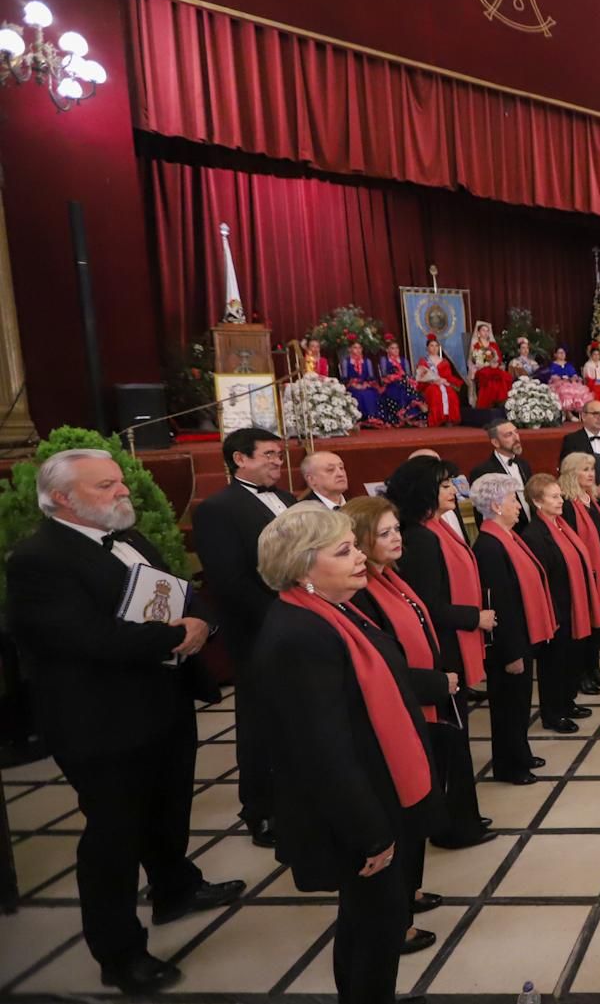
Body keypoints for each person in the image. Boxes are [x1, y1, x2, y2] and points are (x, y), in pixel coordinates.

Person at [7, 450, 240, 994]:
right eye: (106, 485)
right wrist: (178, 634)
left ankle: (175, 887)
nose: (123, 492)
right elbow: (83, 639)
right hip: (102, 721)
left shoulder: (128, 538)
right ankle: (119, 953)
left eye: (120, 483)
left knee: (169, 804)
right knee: (113, 835)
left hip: (162, 702)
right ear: (62, 498)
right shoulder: (38, 560)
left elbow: (177, 590)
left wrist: (202, 622)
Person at [254, 505, 441, 1004]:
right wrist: (371, 834)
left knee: (364, 922)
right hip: (356, 815)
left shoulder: (331, 610)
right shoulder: (300, 635)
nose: (360, 556)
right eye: (345, 550)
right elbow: (323, 751)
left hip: (374, 794)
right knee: (376, 932)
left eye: (356, 546)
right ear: (302, 566)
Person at [343, 495, 461, 956]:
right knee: (404, 816)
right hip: (405, 709)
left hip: (421, 704)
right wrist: (435, 682)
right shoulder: (363, 592)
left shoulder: (389, 578)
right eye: (386, 533)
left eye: (397, 530)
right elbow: (382, 665)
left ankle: (408, 893)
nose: (398, 539)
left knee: (417, 814)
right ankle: (399, 922)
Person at [192, 427, 295, 847]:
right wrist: (282, 618)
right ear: (240, 459)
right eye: (269, 454)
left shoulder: (288, 500)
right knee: (259, 722)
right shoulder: (218, 509)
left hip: (302, 623)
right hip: (258, 631)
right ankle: (261, 808)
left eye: (278, 454)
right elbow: (229, 580)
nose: (277, 460)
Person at [385, 457, 495, 849]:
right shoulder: (420, 538)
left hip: (452, 644)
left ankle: (465, 815)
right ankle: (454, 825)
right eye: (445, 484)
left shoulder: (435, 529)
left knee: (458, 739)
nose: (453, 489)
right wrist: (474, 617)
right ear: (425, 492)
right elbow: (430, 604)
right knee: (450, 741)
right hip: (442, 651)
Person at [470, 475, 554, 786]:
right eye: (513, 501)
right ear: (495, 505)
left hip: (520, 636)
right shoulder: (490, 547)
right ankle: (509, 766)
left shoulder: (507, 536)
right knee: (507, 707)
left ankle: (520, 752)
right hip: (509, 644)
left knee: (519, 705)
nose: (518, 507)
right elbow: (500, 605)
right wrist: (511, 652)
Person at [522, 474, 600, 733]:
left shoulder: (561, 524)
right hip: (557, 609)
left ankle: (567, 702)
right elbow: (541, 579)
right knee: (553, 665)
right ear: (537, 502)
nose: (561, 501)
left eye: (560, 495)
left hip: (574, 604)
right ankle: (553, 713)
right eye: (554, 497)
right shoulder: (534, 534)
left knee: (570, 659)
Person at [557, 452, 600, 682]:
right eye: (585, 469)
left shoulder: (592, 499)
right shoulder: (567, 504)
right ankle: (581, 674)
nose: (591, 474)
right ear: (571, 473)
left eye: (592, 469)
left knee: (598, 623)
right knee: (585, 624)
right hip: (584, 574)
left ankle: (594, 668)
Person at [559, 400, 600, 498]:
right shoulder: (572, 440)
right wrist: (591, 488)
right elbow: (566, 469)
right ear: (583, 416)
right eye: (596, 414)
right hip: (583, 495)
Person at [414, 335, 465, 427]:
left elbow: (448, 376)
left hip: (443, 383)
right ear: (427, 348)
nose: (434, 348)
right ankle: (437, 419)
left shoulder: (444, 361)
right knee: (435, 392)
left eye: (436, 346)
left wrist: (445, 381)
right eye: (431, 346)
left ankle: (449, 418)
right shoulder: (423, 361)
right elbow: (422, 376)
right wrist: (434, 381)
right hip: (429, 384)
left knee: (451, 393)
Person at [375, 340, 427, 426]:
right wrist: (394, 377)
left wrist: (403, 377)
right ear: (388, 350)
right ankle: (406, 413)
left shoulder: (404, 360)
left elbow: (409, 375)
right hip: (391, 385)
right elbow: (384, 376)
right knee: (402, 389)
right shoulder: (385, 360)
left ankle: (412, 415)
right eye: (392, 348)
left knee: (405, 387)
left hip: (404, 384)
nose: (395, 350)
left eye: (396, 348)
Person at [467, 321, 512, 409]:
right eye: (483, 330)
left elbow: (499, 359)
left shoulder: (493, 345)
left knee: (503, 376)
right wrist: (488, 364)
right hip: (482, 369)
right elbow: (476, 360)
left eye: (487, 330)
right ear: (478, 333)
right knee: (489, 377)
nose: (486, 332)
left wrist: (496, 363)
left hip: (494, 368)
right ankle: (487, 404)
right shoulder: (476, 345)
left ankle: (501, 401)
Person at [339, 342, 384, 425]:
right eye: (355, 348)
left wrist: (366, 384)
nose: (358, 350)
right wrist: (353, 384)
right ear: (350, 349)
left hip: (365, 385)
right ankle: (361, 419)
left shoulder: (367, 361)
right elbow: (344, 378)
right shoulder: (346, 361)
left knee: (370, 393)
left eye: (359, 348)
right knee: (359, 394)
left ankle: (372, 417)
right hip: (352, 385)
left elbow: (371, 377)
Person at [544, 345, 591, 420]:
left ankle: (583, 414)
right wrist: (561, 379)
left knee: (579, 391)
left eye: (563, 353)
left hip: (570, 383)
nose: (562, 354)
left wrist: (573, 378)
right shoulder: (553, 365)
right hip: (558, 383)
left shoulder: (569, 365)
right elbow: (552, 375)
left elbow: (574, 374)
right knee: (563, 391)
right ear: (555, 354)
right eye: (560, 352)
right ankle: (568, 414)